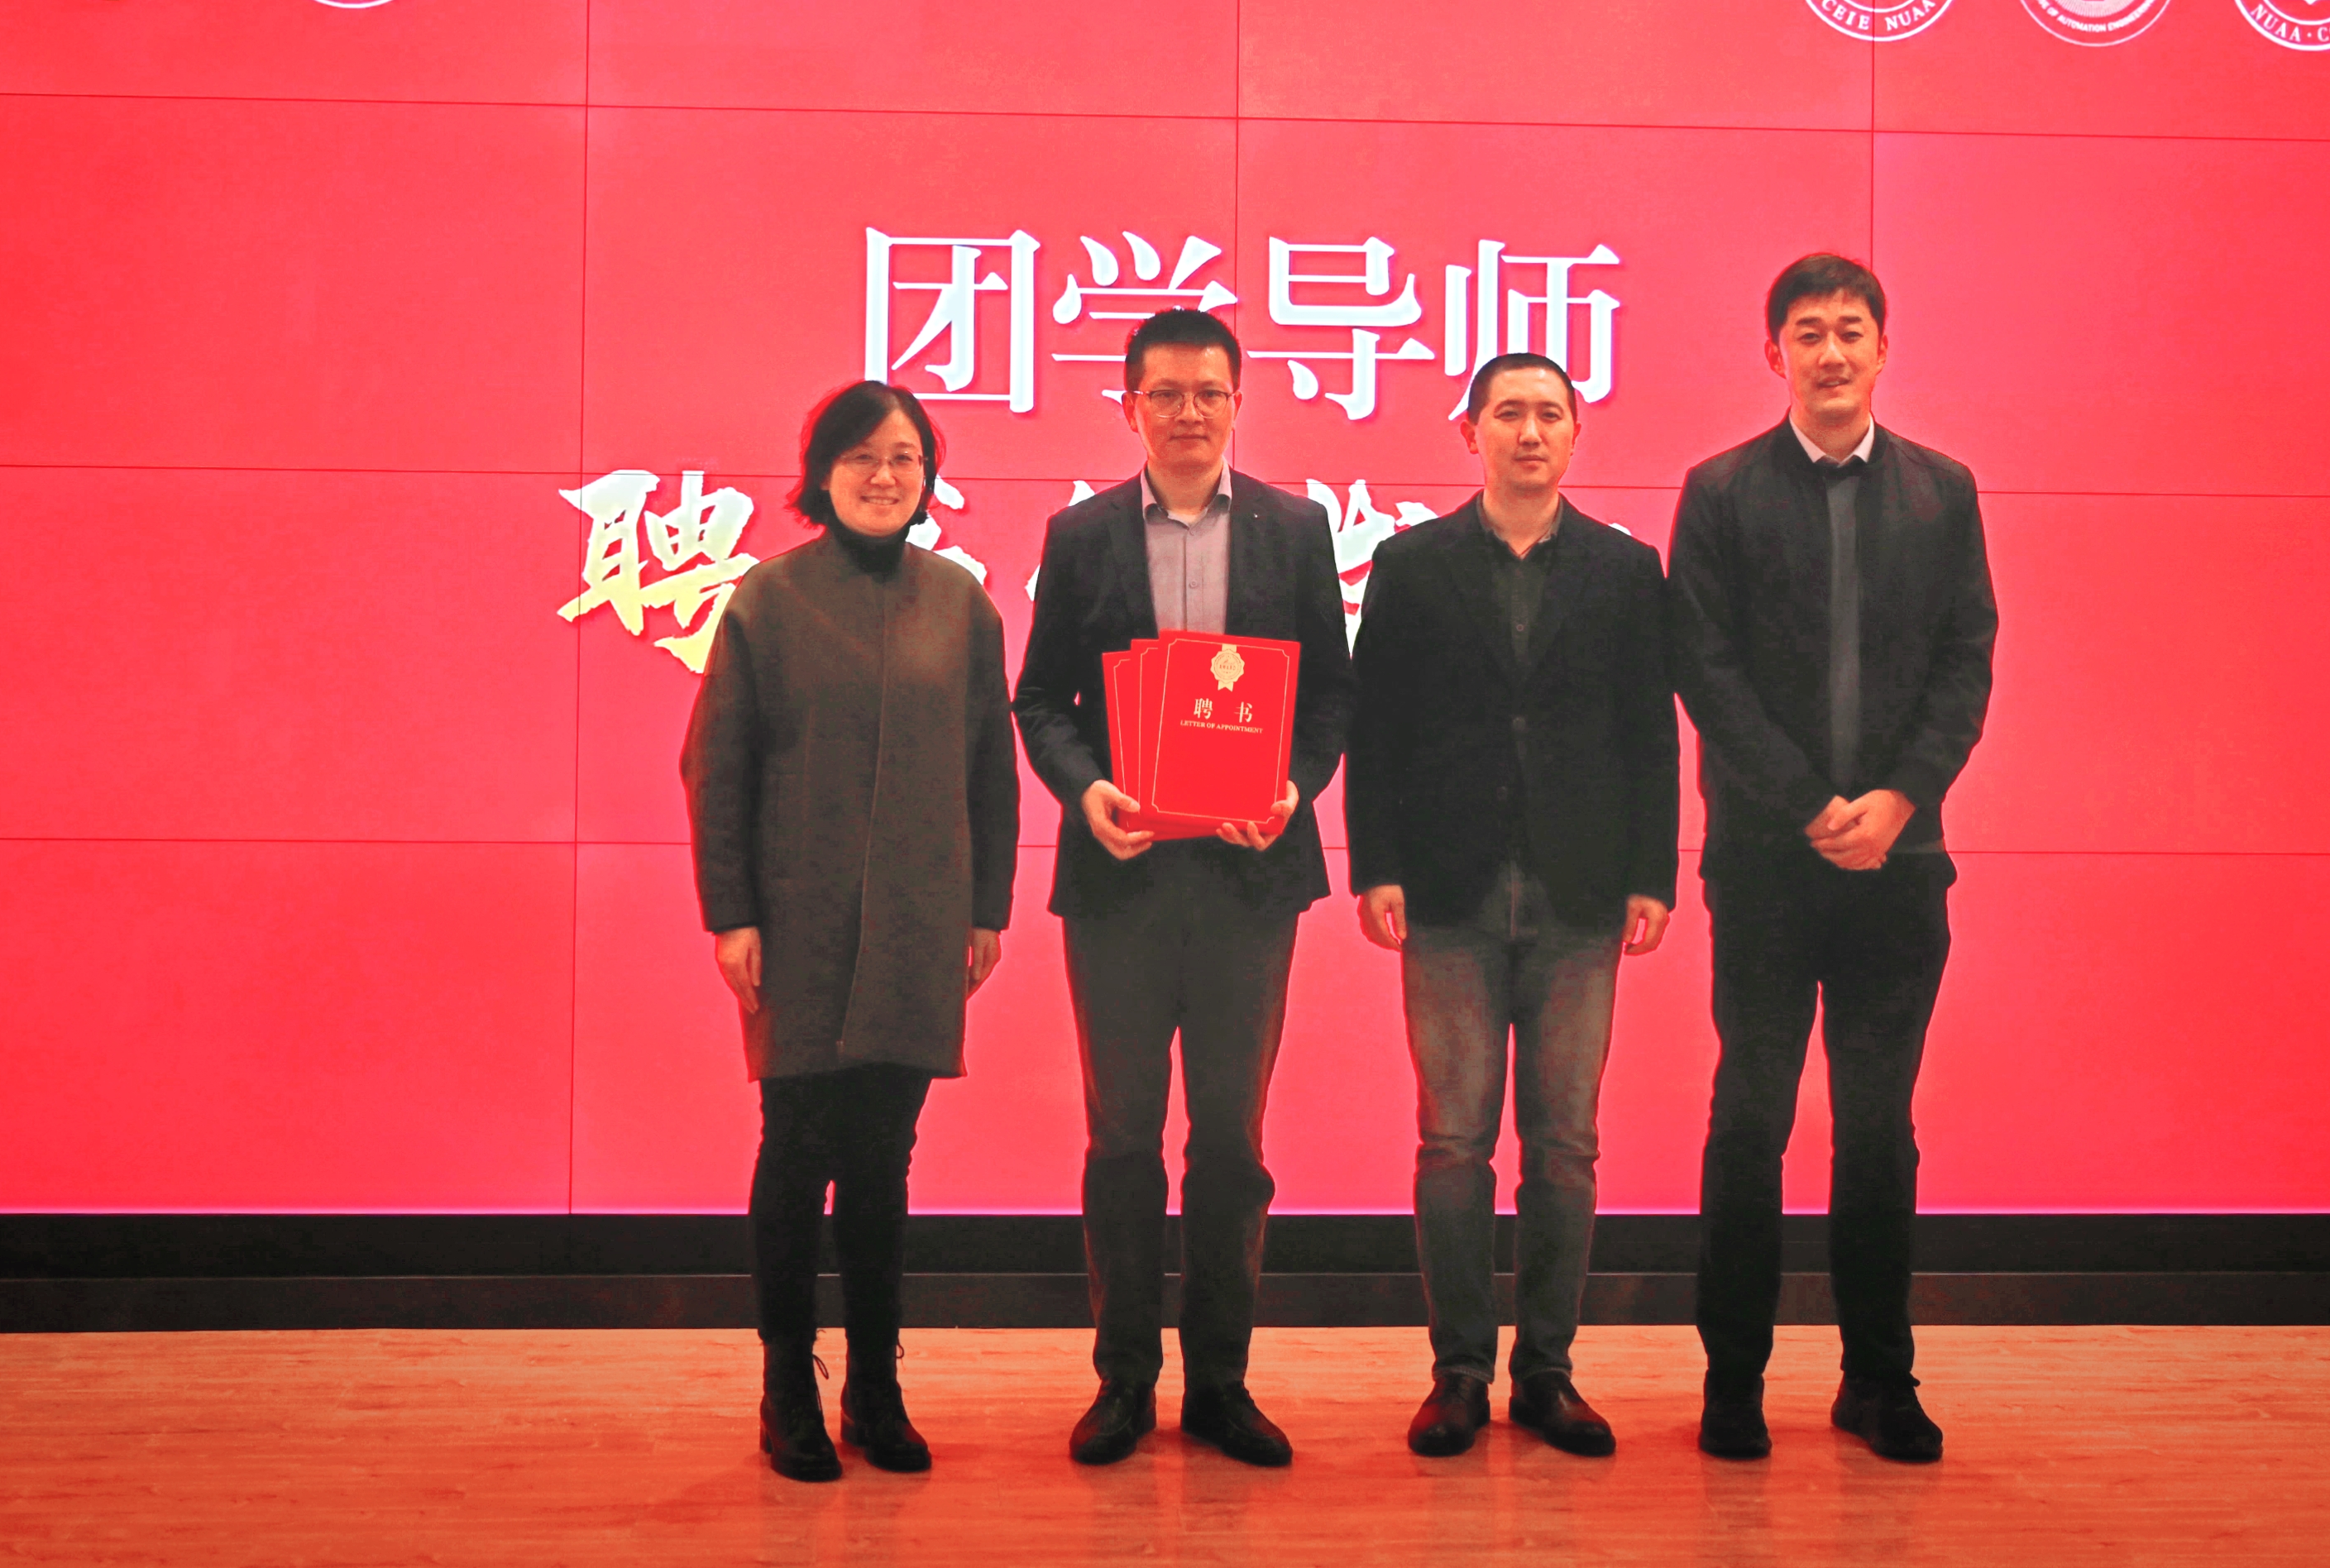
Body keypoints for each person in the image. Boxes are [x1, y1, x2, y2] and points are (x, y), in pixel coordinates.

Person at [1667, 253, 1997, 1465]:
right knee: (1748, 1119)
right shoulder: (1719, 492)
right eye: (1807, 332)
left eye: (1851, 329)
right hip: (1765, 864)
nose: (1831, 351)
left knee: (1878, 1130)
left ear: (1882, 347)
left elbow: (1967, 660)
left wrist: (1900, 799)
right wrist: (1810, 803)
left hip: (1900, 866)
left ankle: (1877, 1379)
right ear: (1775, 355)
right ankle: (1733, 1382)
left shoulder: (1943, 491)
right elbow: (1704, 671)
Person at [1013, 307, 1356, 1470]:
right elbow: (1041, 700)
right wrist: (1086, 791)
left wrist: (1296, 787)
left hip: (1249, 879)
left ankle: (1219, 1383)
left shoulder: (1294, 528)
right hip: (1119, 880)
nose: (1189, 413)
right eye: (1164, 393)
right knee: (1121, 1140)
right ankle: (1122, 1383)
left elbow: (1328, 695)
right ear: (1129, 407)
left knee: (1230, 1144)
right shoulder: (1081, 534)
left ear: (1238, 402)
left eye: (1209, 392)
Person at [682, 380, 1020, 1484]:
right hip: (799, 920)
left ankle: (876, 1387)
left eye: (906, 457)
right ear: (821, 474)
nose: (885, 476)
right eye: (863, 456)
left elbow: (991, 771)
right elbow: (716, 768)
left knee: (884, 1160)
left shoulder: (960, 605)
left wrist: (987, 908)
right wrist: (731, 913)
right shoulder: (769, 601)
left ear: (929, 478)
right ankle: (787, 1387)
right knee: (796, 1151)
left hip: (921, 920)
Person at [1347, 351, 1679, 1461]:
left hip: (1582, 894)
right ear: (1470, 432)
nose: (1528, 432)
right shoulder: (1411, 564)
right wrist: (1376, 863)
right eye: (1507, 414)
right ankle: (1456, 1375)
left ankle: (1546, 1372)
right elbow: (1376, 729)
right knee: (1452, 1143)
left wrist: (1652, 873)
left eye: (1548, 413)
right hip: (1448, 892)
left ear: (1576, 432)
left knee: (1565, 1147)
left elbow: (1649, 733)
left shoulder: (1625, 570)